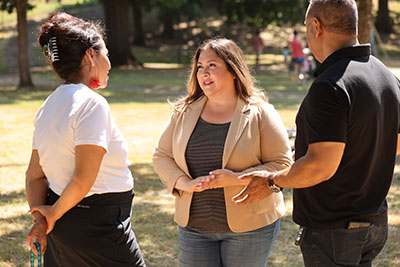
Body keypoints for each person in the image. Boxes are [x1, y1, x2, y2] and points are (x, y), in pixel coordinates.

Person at [234, 1, 400, 266]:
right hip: (374, 222)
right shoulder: (385, 75)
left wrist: (271, 181)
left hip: (336, 228)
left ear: (315, 26)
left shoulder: (330, 85)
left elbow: (320, 167)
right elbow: (394, 142)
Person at [152, 37, 292, 267]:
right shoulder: (183, 112)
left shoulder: (261, 113)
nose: (204, 73)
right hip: (194, 228)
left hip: (250, 227)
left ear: (234, 70)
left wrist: (235, 179)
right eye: (199, 67)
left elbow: (282, 164)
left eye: (212, 66)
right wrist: (183, 183)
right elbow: (162, 156)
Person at [25, 12, 146, 267]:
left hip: (63, 227)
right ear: (91, 55)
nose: (110, 63)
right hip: (99, 227)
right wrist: (52, 215)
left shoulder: (48, 105)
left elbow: (34, 175)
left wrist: (42, 219)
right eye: (106, 53)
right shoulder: (91, 104)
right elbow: (82, 179)